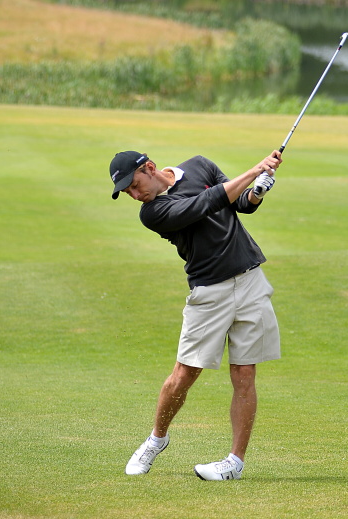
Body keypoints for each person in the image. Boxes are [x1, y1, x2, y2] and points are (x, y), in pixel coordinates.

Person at [108, 149, 282, 481]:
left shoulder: (200, 166)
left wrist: (257, 191)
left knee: (245, 373)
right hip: (209, 292)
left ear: (150, 168)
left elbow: (239, 203)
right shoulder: (153, 213)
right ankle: (157, 439)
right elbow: (206, 203)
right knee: (184, 374)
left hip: (250, 280)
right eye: (127, 191)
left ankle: (235, 462)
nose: (134, 195)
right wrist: (254, 169)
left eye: (134, 185)